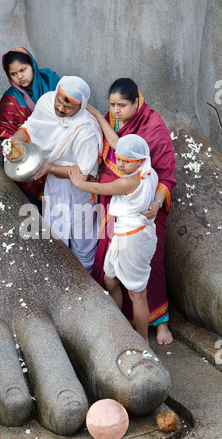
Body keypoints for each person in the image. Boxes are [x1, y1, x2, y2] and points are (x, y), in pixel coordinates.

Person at [87, 78, 176, 345]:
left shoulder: (154, 127)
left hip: (146, 210)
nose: (115, 111)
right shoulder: (112, 120)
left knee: (153, 266)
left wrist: (158, 203)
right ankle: (123, 322)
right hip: (117, 208)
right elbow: (112, 144)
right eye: (112, 104)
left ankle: (161, 323)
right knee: (110, 266)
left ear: (137, 102)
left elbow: (167, 175)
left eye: (122, 106)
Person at [9, 76, 103, 273]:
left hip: (81, 190)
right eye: (59, 99)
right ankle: (59, 277)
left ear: (81, 106)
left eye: (68, 106)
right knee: (55, 230)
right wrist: (15, 141)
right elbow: (31, 127)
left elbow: (84, 173)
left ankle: (86, 283)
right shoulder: (46, 101)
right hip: (54, 181)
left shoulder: (86, 129)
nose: (60, 107)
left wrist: (49, 168)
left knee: (82, 237)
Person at [69, 134, 158, 343]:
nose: (120, 164)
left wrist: (77, 181)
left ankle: (143, 340)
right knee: (110, 280)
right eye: (118, 159)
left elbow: (101, 189)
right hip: (126, 233)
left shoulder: (131, 181)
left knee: (137, 294)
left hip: (133, 238)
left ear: (140, 160)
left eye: (126, 161)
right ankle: (121, 327)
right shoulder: (150, 173)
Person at [0, 47, 60, 207]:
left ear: (32, 65)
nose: (20, 77)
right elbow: (7, 135)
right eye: (14, 74)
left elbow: (70, 106)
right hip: (33, 154)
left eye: (23, 70)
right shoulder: (10, 100)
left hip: (62, 146)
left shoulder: (51, 80)